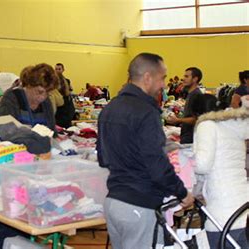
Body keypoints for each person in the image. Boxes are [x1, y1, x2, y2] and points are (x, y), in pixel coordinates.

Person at [97, 53, 194, 249]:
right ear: (148, 77)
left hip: (113, 203)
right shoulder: (146, 112)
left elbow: (103, 158)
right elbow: (157, 165)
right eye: (162, 78)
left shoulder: (110, 108)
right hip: (139, 206)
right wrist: (182, 193)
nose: (164, 85)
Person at [0, 63, 58, 248]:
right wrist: (32, 135)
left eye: (47, 93)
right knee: (10, 221)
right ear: (27, 85)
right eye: (39, 92)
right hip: (12, 169)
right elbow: (6, 131)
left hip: (36, 170)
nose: (43, 97)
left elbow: (51, 132)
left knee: (30, 221)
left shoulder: (45, 103)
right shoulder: (11, 98)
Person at [193, 95, 248, 249]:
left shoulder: (206, 125)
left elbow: (202, 165)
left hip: (222, 211)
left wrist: (187, 160)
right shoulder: (232, 127)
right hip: (243, 206)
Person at [166, 67, 203, 144]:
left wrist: (178, 120)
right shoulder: (191, 94)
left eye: (186, 76)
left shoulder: (196, 95)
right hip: (186, 135)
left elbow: (197, 119)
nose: (183, 79)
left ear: (195, 79)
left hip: (191, 137)